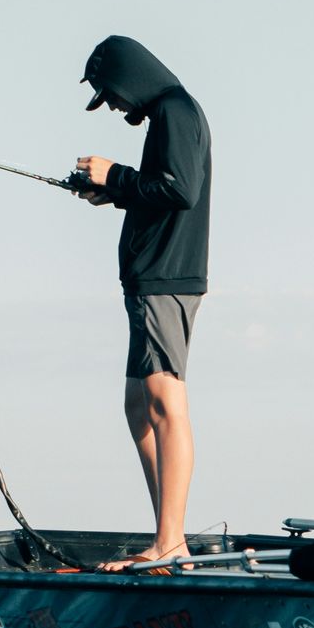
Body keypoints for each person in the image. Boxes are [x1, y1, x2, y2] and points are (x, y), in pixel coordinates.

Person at [69, 35, 212, 570]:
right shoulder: (169, 116)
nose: (115, 108)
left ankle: (171, 544)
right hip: (151, 279)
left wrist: (116, 176)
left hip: (165, 279)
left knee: (165, 402)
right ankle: (167, 535)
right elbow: (163, 188)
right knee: (139, 406)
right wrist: (117, 192)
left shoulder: (176, 110)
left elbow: (181, 189)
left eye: (112, 96)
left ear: (130, 78)